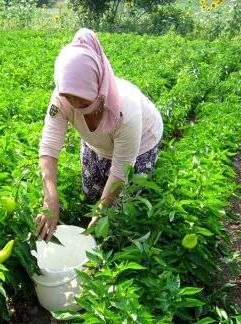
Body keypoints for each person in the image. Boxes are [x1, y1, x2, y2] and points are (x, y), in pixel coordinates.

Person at [35, 28, 164, 242]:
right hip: (96, 143)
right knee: (91, 194)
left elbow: (121, 171)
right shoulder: (62, 97)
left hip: (141, 144)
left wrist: (101, 214)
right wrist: (50, 197)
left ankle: (109, 243)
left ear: (97, 87)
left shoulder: (125, 109)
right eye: (69, 97)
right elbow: (49, 148)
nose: (75, 104)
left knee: (119, 212)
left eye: (83, 100)